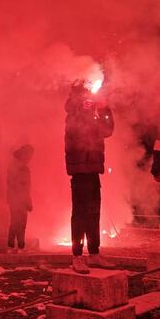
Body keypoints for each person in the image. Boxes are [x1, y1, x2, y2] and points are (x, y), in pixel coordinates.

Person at [64, 82, 115, 272]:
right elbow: (76, 130)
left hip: (93, 170)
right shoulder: (72, 116)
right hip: (79, 172)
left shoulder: (94, 119)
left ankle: (94, 253)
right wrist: (82, 108)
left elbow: (107, 130)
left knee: (94, 212)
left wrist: (105, 109)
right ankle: (77, 256)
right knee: (79, 214)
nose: (88, 101)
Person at [6, 145, 34, 253]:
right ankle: (19, 247)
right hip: (19, 200)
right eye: (30, 155)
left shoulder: (13, 165)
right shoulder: (22, 167)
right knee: (21, 223)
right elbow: (23, 187)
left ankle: (12, 246)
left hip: (13, 199)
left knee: (15, 222)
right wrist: (27, 201)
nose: (31, 158)